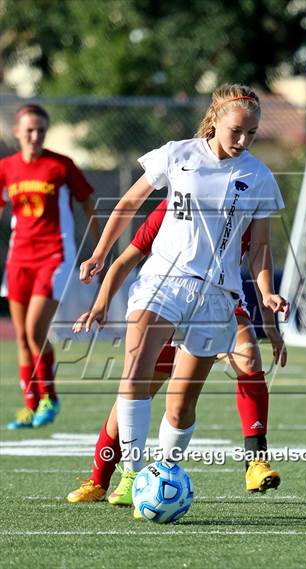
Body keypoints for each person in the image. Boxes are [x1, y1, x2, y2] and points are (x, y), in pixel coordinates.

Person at [78, 84, 289, 516]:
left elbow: (260, 248)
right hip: (164, 280)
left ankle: (166, 472)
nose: (243, 140)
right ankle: (133, 474)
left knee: (180, 403)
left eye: (252, 133)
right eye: (236, 130)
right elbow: (129, 203)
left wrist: (267, 292)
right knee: (135, 369)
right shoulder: (178, 154)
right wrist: (100, 253)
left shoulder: (260, 177)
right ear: (215, 120)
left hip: (216, 296)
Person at [67, 199, 287, 503]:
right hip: (166, 304)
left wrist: (270, 326)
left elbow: (260, 260)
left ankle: (255, 462)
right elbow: (127, 257)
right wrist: (101, 304)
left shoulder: (245, 202)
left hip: (217, 302)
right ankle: (100, 478)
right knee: (130, 401)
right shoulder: (176, 204)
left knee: (247, 356)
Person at [0, 104, 100, 429]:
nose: (35, 136)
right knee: (22, 338)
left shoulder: (61, 165)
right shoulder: (7, 167)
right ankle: (31, 406)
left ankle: (50, 399)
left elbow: (88, 204)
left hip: (54, 257)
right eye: (29, 130)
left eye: (41, 130)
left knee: (34, 330)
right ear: (17, 132)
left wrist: (99, 249)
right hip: (19, 259)